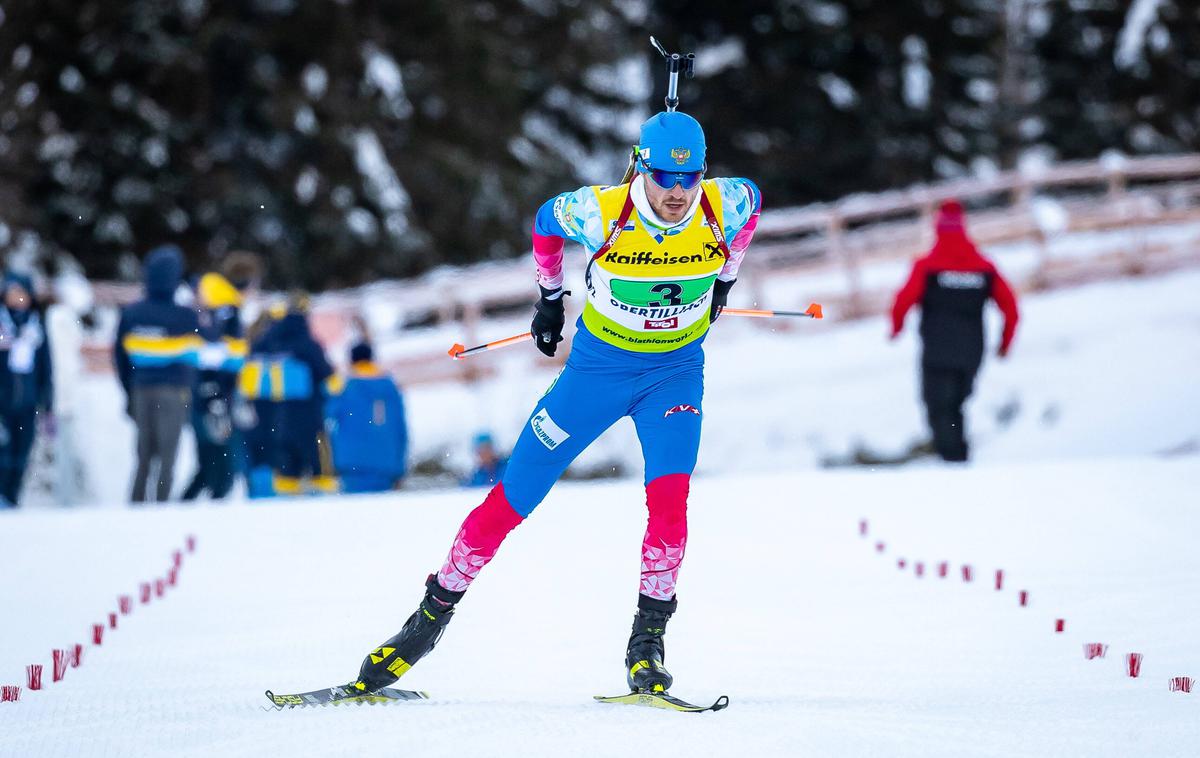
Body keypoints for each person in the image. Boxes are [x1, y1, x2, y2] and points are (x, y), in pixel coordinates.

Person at [339, 110, 762, 698]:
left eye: (688, 180)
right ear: (642, 167)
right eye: (664, 177)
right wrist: (550, 298)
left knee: (670, 504)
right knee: (516, 491)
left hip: (673, 376)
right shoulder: (602, 211)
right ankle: (424, 625)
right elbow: (544, 222)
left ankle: (647, 645)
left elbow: (753, 206)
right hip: (596, 373)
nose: (676, 192)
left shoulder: (727, 204)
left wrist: (725, 283)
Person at [891, 200, 1020, 462]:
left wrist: (896, 327)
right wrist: (1005, 343)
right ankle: (958, 457)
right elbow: (1011, 308)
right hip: (972, 352)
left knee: (939, 408)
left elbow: (903, 300)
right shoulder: (984, 267)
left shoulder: (927, 266)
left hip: (937, 353)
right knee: (957, 406)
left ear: (937, 229)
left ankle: (953, 463)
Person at [113, 245, 202, 503]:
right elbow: (194, 359)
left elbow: (120, 357)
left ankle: (137, 504)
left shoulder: (132, 314)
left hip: (141, 390)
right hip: (173, 392)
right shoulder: (185, 316)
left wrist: (129, 390)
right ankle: (161, 508)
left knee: (143, 456)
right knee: (167, 456)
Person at [181, 269, 250, 501]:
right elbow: (226, 359)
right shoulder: (224, 314)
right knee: (219, 463)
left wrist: (211, 390)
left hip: (210, 397)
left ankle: (187, 505)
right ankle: (194, 506)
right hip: (217, 398)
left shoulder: (217, 315)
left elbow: (216, 359)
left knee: (213, 462)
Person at [257, 293, 334, 495]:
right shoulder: (306, 342)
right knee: (319, 457)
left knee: (286, 465)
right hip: (309, 412)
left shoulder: (269, 341)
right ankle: (324, 495)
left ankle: (285, 496)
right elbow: (327, 375)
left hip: (278, 413)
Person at [325, 342, 408, 494]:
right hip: (386, 462)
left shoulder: (344, 386)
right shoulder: (390, 386)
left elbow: (328, 414)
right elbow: (400, 426)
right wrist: (400, 465)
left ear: (351, 361)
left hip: (352, 462)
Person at [0, 272, 53, 507]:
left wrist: (47, 400)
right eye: (12, 293)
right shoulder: (3, 326)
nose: (17, 298)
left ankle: (13, 496)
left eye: (21, 293)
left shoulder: (36, 328)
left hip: (28, 402)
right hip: (3, 401)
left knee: (22, 451)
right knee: (4, 451)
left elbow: (46, 366)